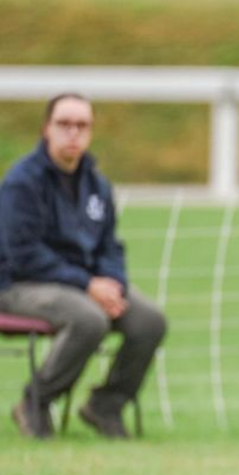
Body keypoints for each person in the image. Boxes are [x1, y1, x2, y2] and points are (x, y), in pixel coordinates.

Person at [0, 93, 166, 439]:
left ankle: (106, 405)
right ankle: (35, 402)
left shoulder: (96, 184)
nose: (73, 133)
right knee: (90, 319)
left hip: (85, 284)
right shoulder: (22, 183)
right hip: (20, 285)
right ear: (47, 128)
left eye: (82, 125)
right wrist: (88, 285)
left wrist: (113, 285)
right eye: (64, 124)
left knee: (149, 320)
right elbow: (23, 254)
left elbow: (110, 245)